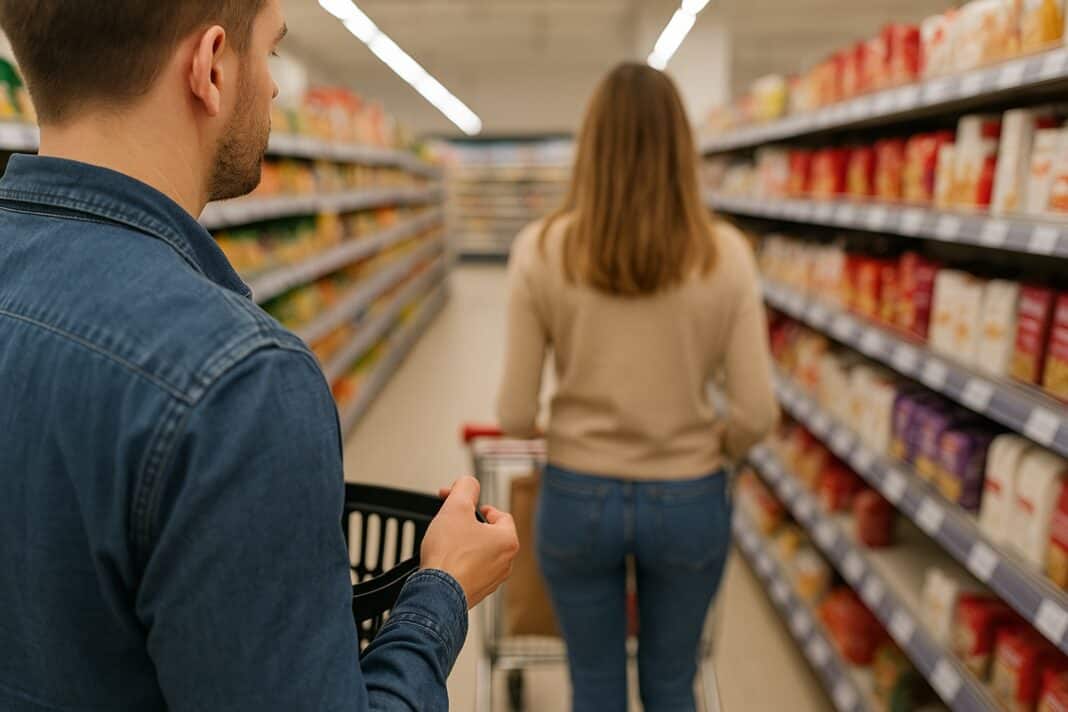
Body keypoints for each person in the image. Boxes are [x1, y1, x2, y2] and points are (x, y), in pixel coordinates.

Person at [0, 2, 518, 710]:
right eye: (271, 54)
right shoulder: (237, 383)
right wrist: (442, 591)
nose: (275, 89)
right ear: (210, 68)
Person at [497, 63, 779, 712]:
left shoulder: (541, 249)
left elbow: (513, 413)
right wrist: (716, 444)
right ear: (683, 147)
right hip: (690, 495)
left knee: (594, 686)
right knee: (671, 683)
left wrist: (565, 433)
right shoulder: (724, 254)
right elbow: (757, 411)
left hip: (576, 494)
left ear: (589, 145)